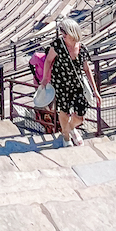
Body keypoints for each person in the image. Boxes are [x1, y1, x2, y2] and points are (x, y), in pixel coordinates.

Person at [43, 17, 100, 146]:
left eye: (64, 31)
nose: (62, 34)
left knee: (80, 116)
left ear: (72, 32)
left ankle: (69, 129)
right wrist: (45, 78)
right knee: (64, 111)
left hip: (77, 83)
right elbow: (48, 60)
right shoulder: (57, 44)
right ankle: (66, 137)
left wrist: (95, 90)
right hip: (61, 83)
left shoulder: (82, 48)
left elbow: (86, 69)